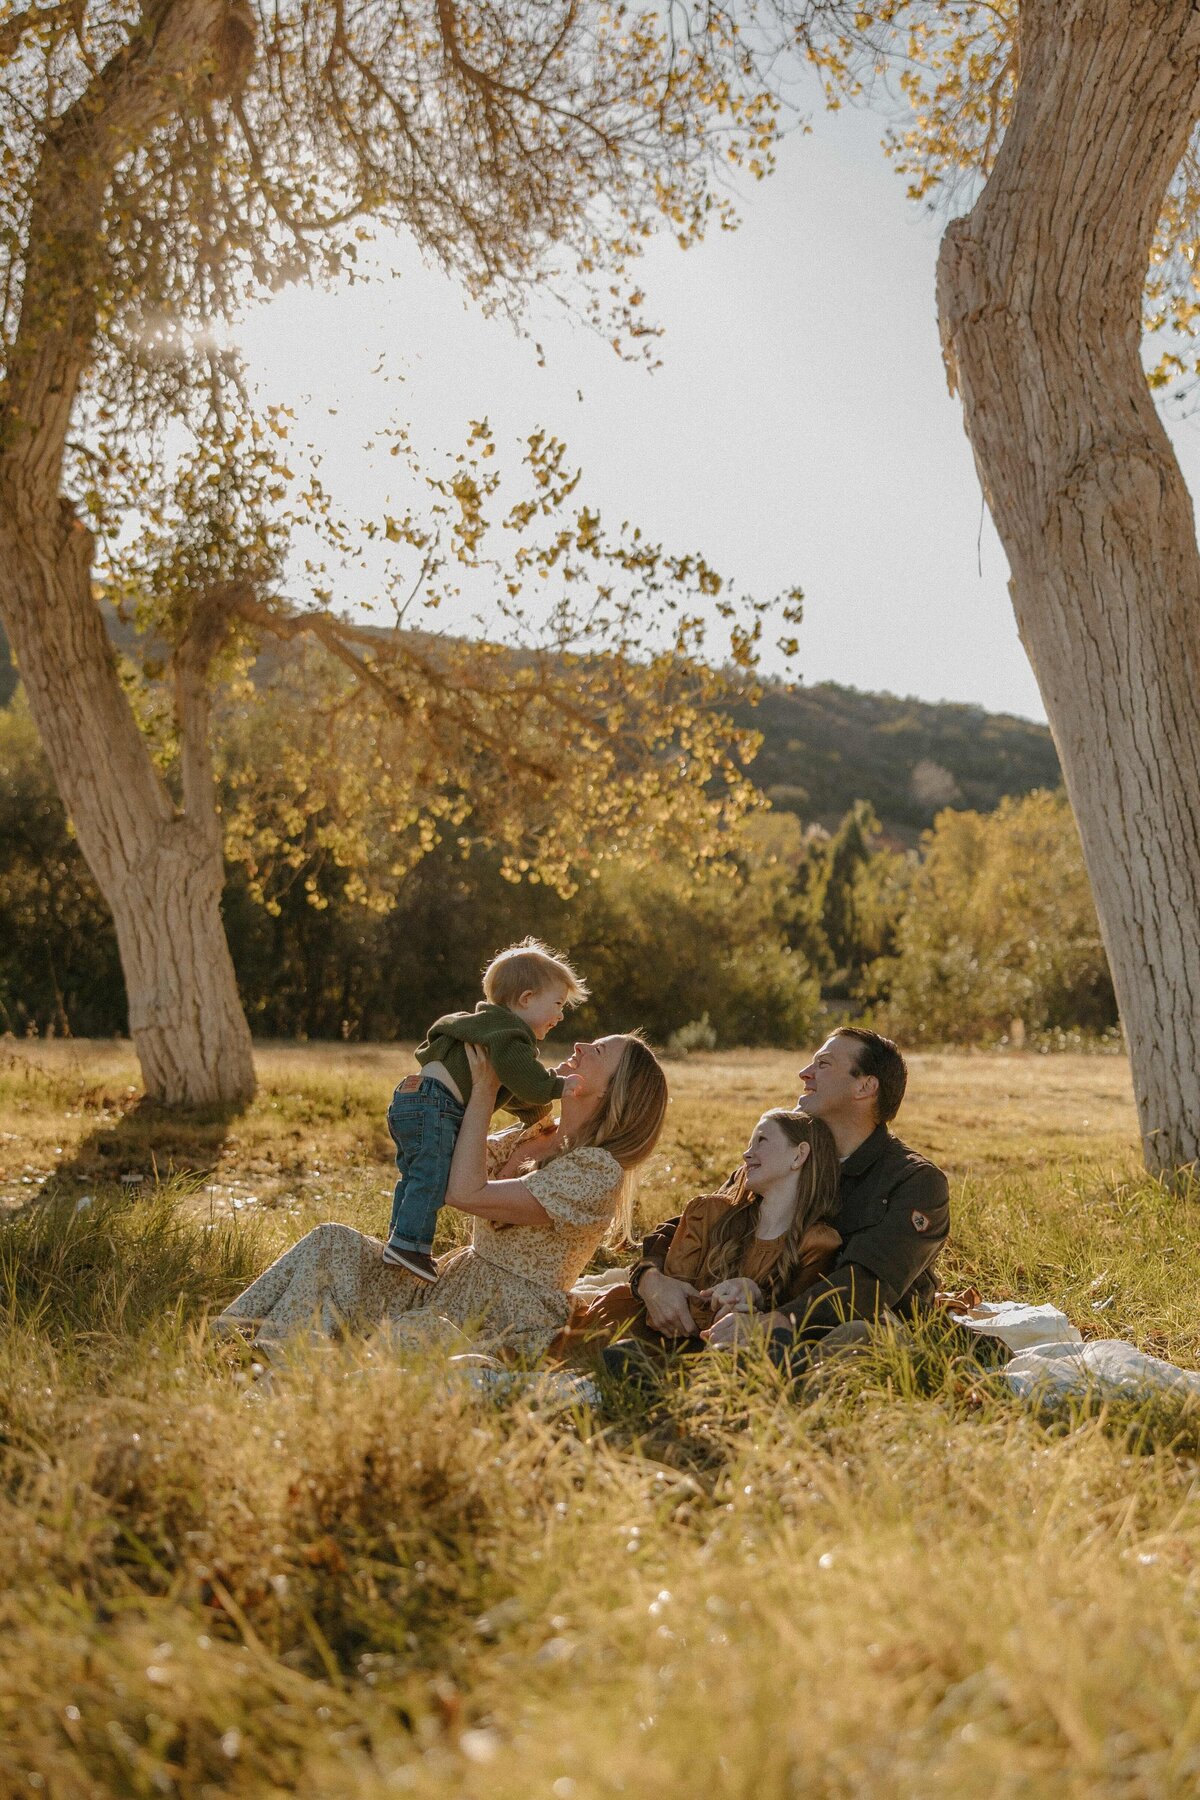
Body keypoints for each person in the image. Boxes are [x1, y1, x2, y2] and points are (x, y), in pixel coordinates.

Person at [216, 1034, 668, 1362]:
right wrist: (432, 1101)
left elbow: (465, 1191)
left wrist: (487, 1088)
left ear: (613, 1093)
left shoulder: (597, 1171)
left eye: (598, 1052)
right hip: (452, 1283)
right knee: (333, 1241)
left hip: (505, 1315)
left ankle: (283, 1376)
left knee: (407, 1338)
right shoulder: (536, 1133)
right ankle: (231, 1346)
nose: (580, 1047)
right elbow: (445, 1164)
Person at [629, 1027, 949, 1365]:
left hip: (848, 1331)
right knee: (626, 1313)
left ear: (865, 1086)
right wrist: (649, 1278)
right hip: (741, 1317)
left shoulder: (915, 1181)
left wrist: (773, 1322)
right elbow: (699, 1220)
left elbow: (866, 1286)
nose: (804, 1074)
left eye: (823, 1065)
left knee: (855, 1339)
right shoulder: (786, 1153)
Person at [561, 1109, 842, 1362]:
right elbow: (671, 1301)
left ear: (798, 1155)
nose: (746, 1154)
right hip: (645, 1331)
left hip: (710, 1355)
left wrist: (755, 1300)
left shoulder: (818, 1243)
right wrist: (722, 1305)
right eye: (749, 1143)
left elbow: (794, 1318)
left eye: (762, 1141)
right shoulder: (708, 1213)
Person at [383, 938, 588, 1283]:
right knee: (433, 1176)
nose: (560, 1014)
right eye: (557, 1003)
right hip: (437, 1105)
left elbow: (516, 1094)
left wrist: (537, 1118)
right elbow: (527, 1081)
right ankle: (408, 1245)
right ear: (526, 999)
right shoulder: (510, 1034)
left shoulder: (484, 1026)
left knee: (416, 1175)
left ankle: (400, 1241)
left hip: (411, 1098)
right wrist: (557, 1086)